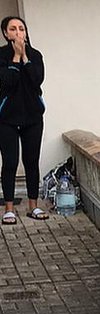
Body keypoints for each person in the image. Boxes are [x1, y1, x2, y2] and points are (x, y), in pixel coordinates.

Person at [0, 16, 45, 225]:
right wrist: (15, 57)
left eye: (21, 28)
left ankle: (33, 206)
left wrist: (25, 56)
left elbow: (37, 79)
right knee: (10, 162)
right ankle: (9, 209)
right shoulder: (1, 56)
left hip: (32, 117)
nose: (18, 32)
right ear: (6, 34)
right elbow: (8, 81)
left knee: (31, 162)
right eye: (13, 29)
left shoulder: (35, 55)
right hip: (7, 118)